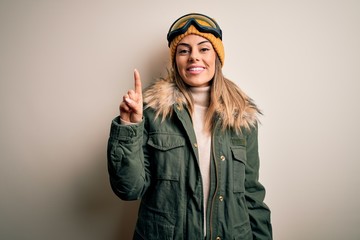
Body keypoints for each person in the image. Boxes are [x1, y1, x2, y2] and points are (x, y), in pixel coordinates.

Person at [107, 13, 272, 240]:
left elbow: (252, 195)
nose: (194, 57)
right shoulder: (153, 113)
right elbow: (129, 189)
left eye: (204, 49)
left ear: (217, 57)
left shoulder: (241, 118)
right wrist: (129, 125)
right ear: (176, 60)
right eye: (184, 50)